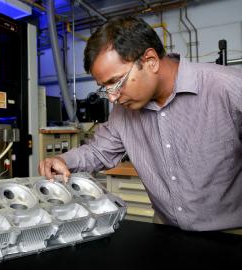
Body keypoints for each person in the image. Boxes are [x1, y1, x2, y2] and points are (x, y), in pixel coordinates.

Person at [39, 16, 242, 232]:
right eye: (104, 87)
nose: (112, 98)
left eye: (115, 82)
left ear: (151, 61)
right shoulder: (123, 111)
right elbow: (99, 152)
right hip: (166, 232)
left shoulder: (229, 88)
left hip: (232, 234)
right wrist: (62, 160)